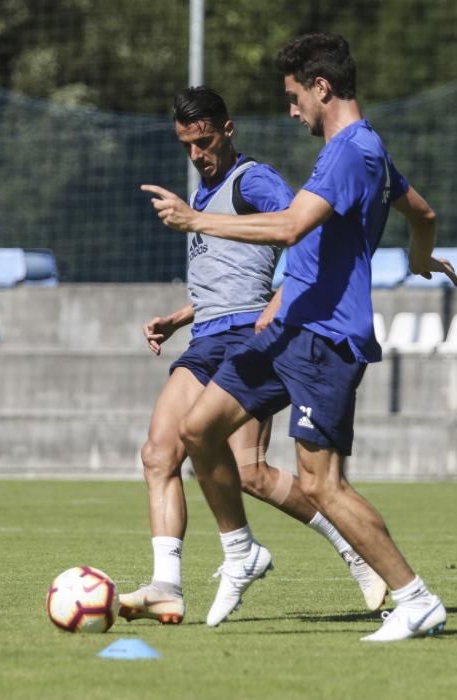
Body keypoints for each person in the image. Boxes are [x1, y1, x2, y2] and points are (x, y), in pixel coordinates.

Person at [142, 35, 457, 641]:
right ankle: (240, 552)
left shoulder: (350, 152)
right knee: (196, 430)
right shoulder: (362, 151)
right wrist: (420, 260)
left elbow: (289, 227)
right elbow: (423, 214)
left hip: (325, 337)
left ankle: (416, 598)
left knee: (320, 483)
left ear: (321, 88)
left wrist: (194, 218)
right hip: (286, 331)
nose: (290, 111)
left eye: (293, 97)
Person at [119, 85, 387, 625]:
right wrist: (179, 316)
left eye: (206, 140)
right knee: (158, 455)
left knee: (248, 472)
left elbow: (305, 235)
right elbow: (227, 278)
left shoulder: (254, 180)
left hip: (249, 337)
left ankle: (355, 550)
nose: (198, 154)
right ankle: (168, 584)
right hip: (206, 338)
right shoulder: (201, 196)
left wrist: (284, 299)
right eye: (187, 146)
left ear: (228, 129)